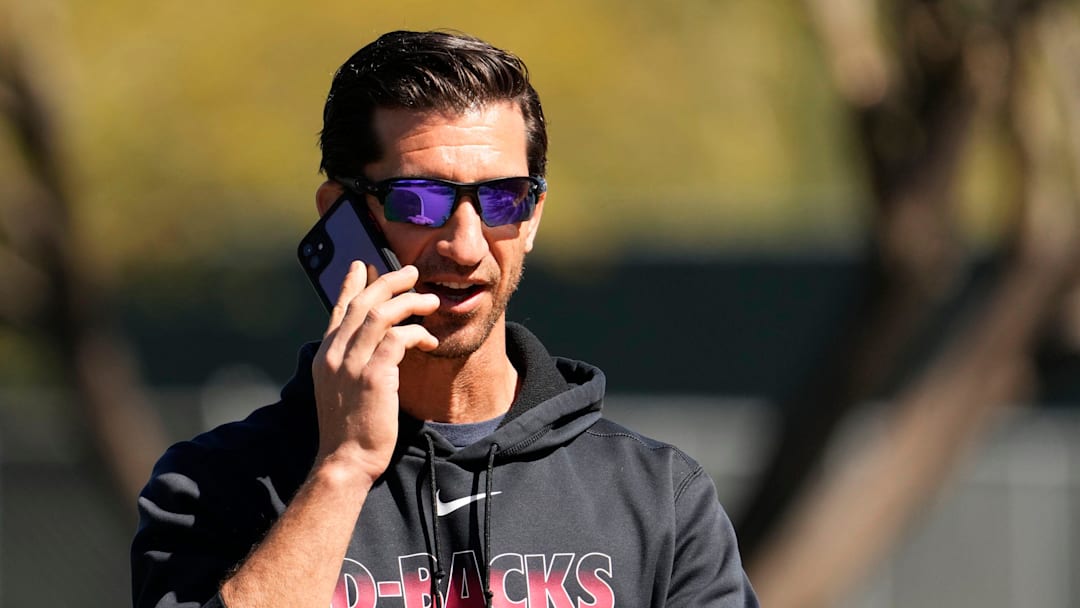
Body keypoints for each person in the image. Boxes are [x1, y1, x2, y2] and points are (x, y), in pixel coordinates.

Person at [131, 30, 759, 608]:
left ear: (534, 216)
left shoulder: (658, 497)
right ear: (339, 215)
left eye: (503, 198)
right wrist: (343, 466)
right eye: (419, 200)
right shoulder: (210, 486)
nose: (465, 244)